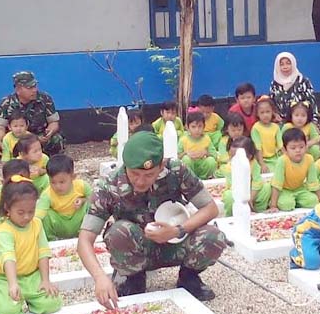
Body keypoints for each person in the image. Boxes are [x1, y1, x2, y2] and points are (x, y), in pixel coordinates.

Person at [77, 131, 227, 305]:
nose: (140, 181)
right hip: (138, 249)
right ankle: (133, 279)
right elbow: (84, 240)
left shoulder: (175, 171)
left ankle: (189, 277)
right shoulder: (109, 186)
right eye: (134, 174)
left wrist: (178, 230)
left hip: (176, 242)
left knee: (213, 236)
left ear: (161, 165)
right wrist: (99, 278)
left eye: (149, 175)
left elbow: (210, 208)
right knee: (118, 232)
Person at [0, 176, 62, 314]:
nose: (27, 217)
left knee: (52, 303)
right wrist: (13, 284)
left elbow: (43, 252)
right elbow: (8, 257)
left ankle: (29, 300)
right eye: (21, 212)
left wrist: (45, 280)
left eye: (31, 211)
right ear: (7, 208)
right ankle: (13, 299)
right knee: (7, 313)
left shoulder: (36, 224)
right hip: (7, 278)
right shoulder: (4, 231)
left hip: (32, 276)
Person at [0, 71, 64, 158]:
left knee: (56, 139)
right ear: (18, 90)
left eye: (34, 86)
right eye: (29, 87)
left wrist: (49, 132)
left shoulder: (45, 98)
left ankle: (53, 164)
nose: (34, 90)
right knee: (3, 145)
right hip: (17, 139)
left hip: (40, 137)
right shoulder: (6, 103)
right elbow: (0, 127)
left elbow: (54, 122)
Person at [36, 154, 92, 241]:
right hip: (59, 224)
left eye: (62, 182)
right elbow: (38, 216)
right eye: (53, 182)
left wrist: (83, 200)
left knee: (91, 205)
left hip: (78, 221)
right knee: (46, 214)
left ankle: (87, 235)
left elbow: (94, 199)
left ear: (73, 177)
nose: (57, 186)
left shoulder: (82, 186)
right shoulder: (47, 194)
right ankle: (52, 241)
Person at [268, 128, 320, 212]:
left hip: (300, 188)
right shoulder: (282, 160)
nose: (298, 150)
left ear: (306, 146)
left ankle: (297, 201)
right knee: (287, 205)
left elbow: (313, 181)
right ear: (285, 150)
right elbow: (277, 183)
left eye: (301, 147)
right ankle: (290, 201)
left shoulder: (309, 158)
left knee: (313, 201)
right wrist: (273, 205)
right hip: (285, 190)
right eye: (293, 148)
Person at [221, 137, 270, 216]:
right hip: (237, 193)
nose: (232, 159)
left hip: (252, 192)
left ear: (249, 156)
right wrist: (245, 199)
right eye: (231, 156)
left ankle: (259, 210)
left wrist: (251, 197)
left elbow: (257, 182)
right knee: (228, 196)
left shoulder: (254, 164)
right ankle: (231, 215)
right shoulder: (229, 167)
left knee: (266, 187)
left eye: (235, 156)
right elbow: (235, 186)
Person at [269, 52, 319, 122]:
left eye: (288, 63)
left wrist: (313, 122)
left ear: (293, 64)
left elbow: (311, 103)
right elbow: (272, 104)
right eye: (281, 64)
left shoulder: (303, 81)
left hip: (301, 121)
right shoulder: (275, 84)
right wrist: (275, 115)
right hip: (281, 122)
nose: (285, 67)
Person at [178, 111, 217, 180]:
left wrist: (205, 153)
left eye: (200, 126)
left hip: (202, 165)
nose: (197, 130)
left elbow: (214, 155)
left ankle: (204, 178)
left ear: (204, 126)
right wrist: (186, 153)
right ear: (187, 127)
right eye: (193, 127)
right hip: (190, 165)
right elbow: (176, 157)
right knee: (186, 159)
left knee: (211, 161)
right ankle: (190, 179)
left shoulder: (206, 138)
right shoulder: (183, 139)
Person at [251, 96, 282, 173]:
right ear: (257, 114)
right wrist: (262, 164)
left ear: (272, 112)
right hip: (262, 159)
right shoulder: (256, 128)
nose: (265, 115)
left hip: (275, 158)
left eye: (268, 112)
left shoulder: (276, 127)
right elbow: (258, 148)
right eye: (262, 112)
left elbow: (281, 146)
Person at [215, 113, 246, 177]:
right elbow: (222, 157)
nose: (237, 132)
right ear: (227, 129)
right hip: (227, 164)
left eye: (239, 130)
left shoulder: (245, 141)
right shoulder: (224, 141)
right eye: (233, 130)